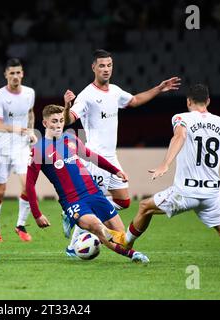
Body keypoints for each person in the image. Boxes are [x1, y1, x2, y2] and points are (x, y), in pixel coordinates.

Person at [119, 84, 220, 267]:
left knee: (145, 207)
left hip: (185, 192)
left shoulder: (181, 118)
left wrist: (165, 164)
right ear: (208, 101)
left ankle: (126, 243)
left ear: (188, 101)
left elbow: (180, 137)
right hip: (212, 195)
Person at [62, 49, 181, 256]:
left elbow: (134, 101)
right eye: (102, 65)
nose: (106, 69)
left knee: (123, 201)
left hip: (111, 157)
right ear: (94, 68)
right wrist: (66, 106)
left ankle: (74, 212)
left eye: (109, 65)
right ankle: (73, 246)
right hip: (94, 157)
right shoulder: (87, 95)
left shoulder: (115, 91)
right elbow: (69, 119)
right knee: (95, 204)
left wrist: (158, 89)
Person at [26, 104, 149, 264]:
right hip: (73, 201)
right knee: (98, 227)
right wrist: (37, 215)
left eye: (61, 120)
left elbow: (92, 156)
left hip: (94, 193)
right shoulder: (38, 149)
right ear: (45, 124)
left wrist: (115, 170)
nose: (58, 124)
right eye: (54, 121)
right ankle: (133, 255)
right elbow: (29, 184)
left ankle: (122, 249)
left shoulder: (70, 139)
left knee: (123, 239)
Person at [0, 58, 37, 242]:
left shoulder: (30, 93)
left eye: (18, 73)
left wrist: (30, 130)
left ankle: (21, 225)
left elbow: (30, 113)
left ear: (22, 74)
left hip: (21, 146)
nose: (15, 76)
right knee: (0, 191)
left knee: (27, 185)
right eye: (12, 73)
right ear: (6, 75)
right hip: (1, 146)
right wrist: (19, 129)